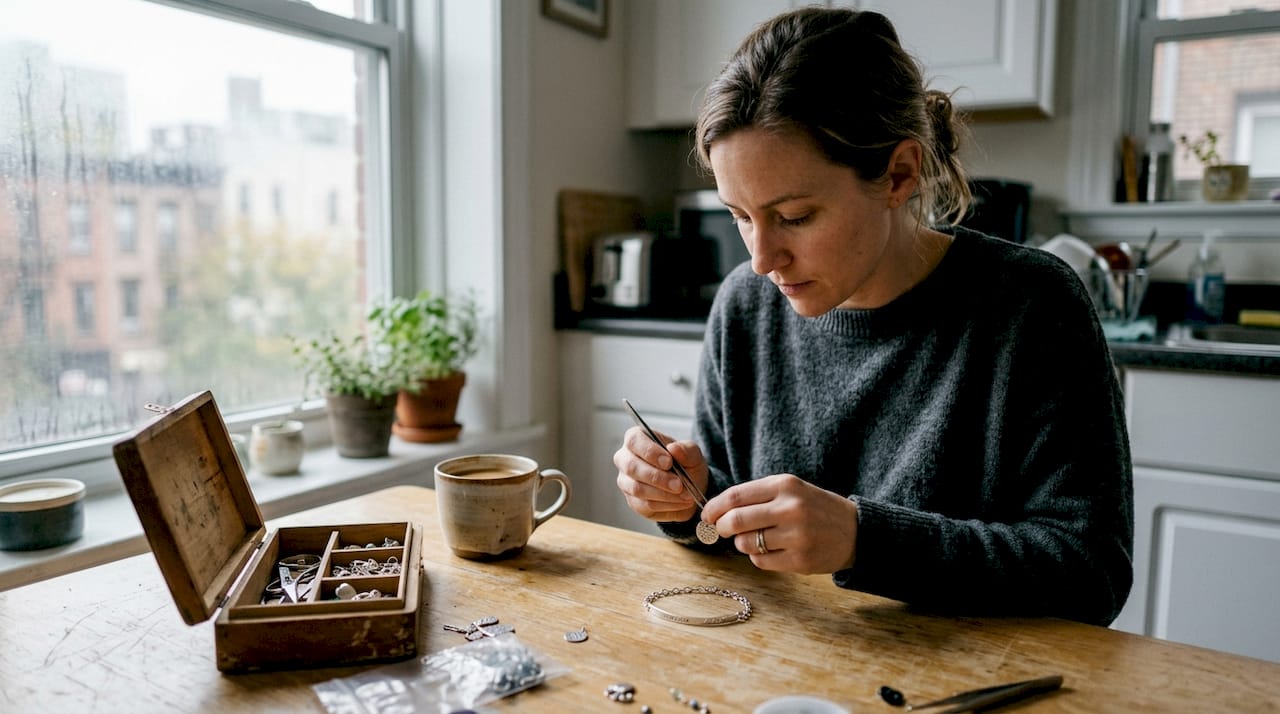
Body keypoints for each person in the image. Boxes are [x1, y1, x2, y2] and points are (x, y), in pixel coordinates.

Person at [613, 6, 1133, 626]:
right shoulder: (744, 307)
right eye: (741, 216)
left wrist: (864, 540)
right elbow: (728, 537)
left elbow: (1091, 572)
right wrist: (687, 500)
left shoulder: (1033, 305)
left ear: (899, 175)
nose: (761, 260)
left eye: (796, 216)